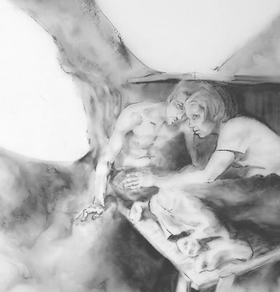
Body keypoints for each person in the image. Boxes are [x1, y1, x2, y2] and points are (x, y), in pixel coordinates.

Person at [127, 84, 280, 272]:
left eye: (195, 116)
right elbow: (203, 176)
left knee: (185, 192)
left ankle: (215, 236)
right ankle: (226, 244)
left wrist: (156, 181)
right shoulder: (229, 137)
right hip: (277, 216)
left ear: (213, 111)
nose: (191, 124)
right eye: (189, 118)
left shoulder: (236, 127)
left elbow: (206, 177)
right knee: (189, 191)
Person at [78, 82, 201, 221]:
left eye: (187, 111)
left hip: (159, 182)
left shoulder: (185, 123)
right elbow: (106, 158)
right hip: (132, 182)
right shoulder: (136, 115)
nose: (180, 115)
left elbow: (196, 164)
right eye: (179, 106)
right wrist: (98, 200)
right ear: (171, 98)